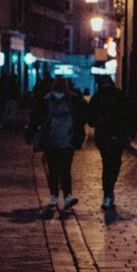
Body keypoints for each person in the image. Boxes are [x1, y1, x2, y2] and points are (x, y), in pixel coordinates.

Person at [27, 74, 86, 215]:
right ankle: (67, 196)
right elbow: (83, 114)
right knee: (65, 170)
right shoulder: (73, 100)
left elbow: (36, 118)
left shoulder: (46, 100)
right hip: (68, 140)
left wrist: (30, 134)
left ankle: (54, 196)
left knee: (53, 170)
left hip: (51, 140)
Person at [86, 76, 136, 212]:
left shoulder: (117, 97)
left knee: (111, 163)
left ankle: (109, 191)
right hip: (108, 136)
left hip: (113, 135)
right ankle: (108, 192)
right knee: (110, 163)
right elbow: (90, 119)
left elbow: (129, 115)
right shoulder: (104, 98)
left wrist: (129, 131)